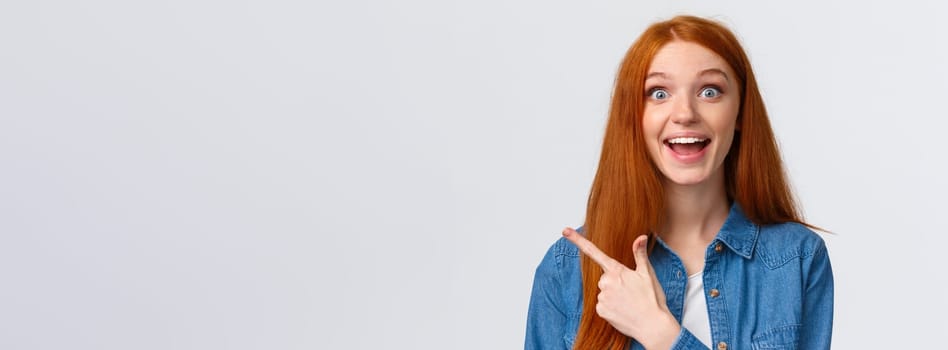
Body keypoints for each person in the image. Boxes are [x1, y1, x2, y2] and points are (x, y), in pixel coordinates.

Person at [524, 15, 833, 350]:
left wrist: (660, 334)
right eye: (659, 93)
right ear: (634, 117)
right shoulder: (566, 271)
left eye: (710, 91)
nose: (685, 113)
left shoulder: (795, 258)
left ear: (741, 112)